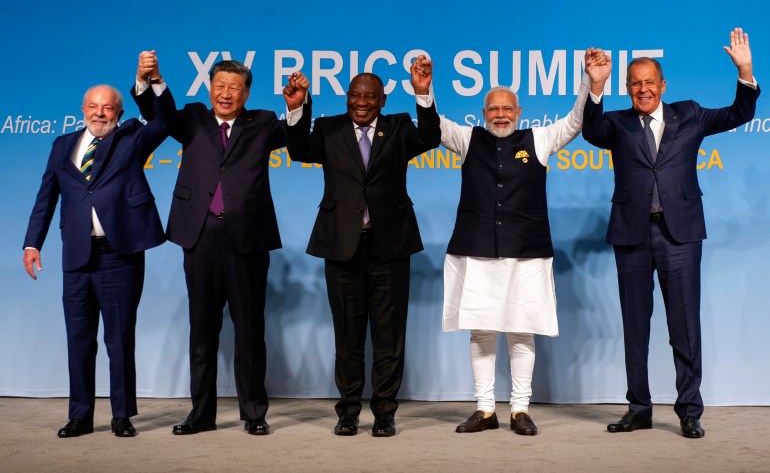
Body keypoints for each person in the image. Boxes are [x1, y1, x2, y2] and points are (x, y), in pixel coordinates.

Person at [583, 28, 759, 438]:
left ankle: (689, 411)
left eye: (650, 82)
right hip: (631, 235)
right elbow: (591, 131)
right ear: (628, 88)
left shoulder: (690, 114)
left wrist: (745, 72)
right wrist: (596, 85)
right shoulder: (616, 123)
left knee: (684, 326)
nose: (643, 89)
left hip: (679, 235)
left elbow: (739, 114)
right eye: (635, 84)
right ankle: (639, 408)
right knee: (635, 326)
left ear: (663, 85)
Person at [436, 50, 610, 436]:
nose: (500, 114)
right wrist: (424, 91)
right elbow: (435, 125)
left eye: (507, 108)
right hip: (477, 251)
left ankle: (519, 409)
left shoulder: (540, 139)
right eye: (493, 109)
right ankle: (484, 409)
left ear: (518, 112)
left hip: (527, 253)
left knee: (521, 330)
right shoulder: (467, 139)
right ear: (483, 114)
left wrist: (590, 81)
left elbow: (576, 121)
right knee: (481, 331)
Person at [132, 60, 310, 436]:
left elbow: (297, 140)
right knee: (202, 331)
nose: (225, 94)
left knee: (249, 332)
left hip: (248, 239)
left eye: (234, 87)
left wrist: (296, 106)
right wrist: (153, 80)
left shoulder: (262, 122)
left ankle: (254, 413)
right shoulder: (193, 119)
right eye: (219, 85)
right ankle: (201, 414)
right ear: (209, 87)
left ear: (246, 93)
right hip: (200, 237)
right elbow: (158, 115)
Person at [284, 59, 440, 437]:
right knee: (348, 336)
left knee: (389, 337)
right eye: (355, 95)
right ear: (347, 97)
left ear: (383, 100)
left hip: (390, 247)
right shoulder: (329, 128)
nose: (361, 102)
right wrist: (297, 108)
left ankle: (385, 412)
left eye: (370, 97)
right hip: (342, 246)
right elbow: (298, 149)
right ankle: (348, 411)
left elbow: (430, 137)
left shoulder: (398, 128)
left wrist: (423, 93)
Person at [22, 51, 175, 438]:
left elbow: (165, 122)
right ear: (82, 110)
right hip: (76, 255)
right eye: (93, 106)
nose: (100, 113)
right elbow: (46, 197)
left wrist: (152, 81)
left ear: (119, 113)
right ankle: (80, 415)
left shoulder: (132, 138)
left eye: (108, 108)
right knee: (78, 339)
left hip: (118, 254)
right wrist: (32, 243)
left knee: (119, 338)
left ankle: (121, 415)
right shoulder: (62, 145)